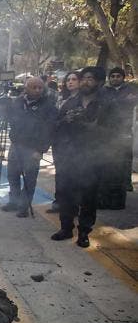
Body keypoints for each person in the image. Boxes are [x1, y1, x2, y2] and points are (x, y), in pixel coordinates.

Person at [51, 66, 117, 248]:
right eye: (84, 78)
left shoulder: (107, 105)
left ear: (99, 82)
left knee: (88, 198)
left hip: (92, 159)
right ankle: (65, 228)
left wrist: (90, 127)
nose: (86, 81)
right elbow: (56, 128)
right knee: (66, 195)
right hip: (69, 157)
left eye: (90, 78)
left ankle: (84, 233)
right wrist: (66, 121)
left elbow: (114, 133)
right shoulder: (70, 104)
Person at [1, 77, 57, 217]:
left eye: (40, 88)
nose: (37, 90)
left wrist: (41, 150)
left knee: (29, 178)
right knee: (12, 174)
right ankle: (13, 201)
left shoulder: (49, 106)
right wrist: (5, 109)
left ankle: (24, 206)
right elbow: (10, 120)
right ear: (26, 88)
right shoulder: (18, 102)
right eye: (34, 87)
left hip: (33, 147)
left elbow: (50, 130)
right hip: (16, 144)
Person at [48, 71, 81, 214]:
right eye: (68, 80)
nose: (70, 82)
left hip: (73, 143)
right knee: (60, 174)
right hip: (58, 141)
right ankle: (59, 203)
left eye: (74, 79)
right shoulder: (62, 98)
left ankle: (72, 207)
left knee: (72, 176)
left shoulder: (82, 99)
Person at [103, 67, 138, 195]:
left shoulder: (131, 90)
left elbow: (131, 103)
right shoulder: (104, 90)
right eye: (113, 76)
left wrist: (114, 103)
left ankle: (126, 182)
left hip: (125, 129)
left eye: (118, 76)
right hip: (107, 130)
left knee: (126, 157)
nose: (115, 78)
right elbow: (103, 105)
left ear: (123, 78)